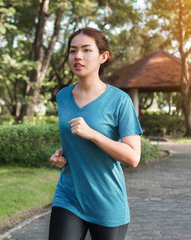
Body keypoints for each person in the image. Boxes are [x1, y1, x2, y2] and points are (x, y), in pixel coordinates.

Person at [48, 27, 143, 240]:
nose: (78, 56)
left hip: (107, 201)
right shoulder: (63, 96)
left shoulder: (120, 101)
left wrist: (93, 135)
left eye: (86, 50)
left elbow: (133, 157)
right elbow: (74, 140)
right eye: (73, 51)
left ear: (103, 56)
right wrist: (63, 154)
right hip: (69, 196)